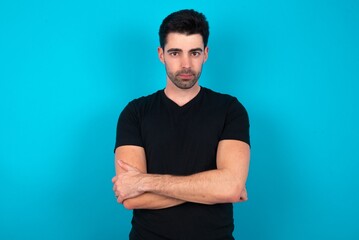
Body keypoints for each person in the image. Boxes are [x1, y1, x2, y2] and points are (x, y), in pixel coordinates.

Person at [112, 9, 250, 240]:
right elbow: (131, 197)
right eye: (175, 53)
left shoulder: (230, 109)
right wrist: (216, 189)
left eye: (194, 52)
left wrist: (145, 182)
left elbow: (230, 188)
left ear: (206, 53)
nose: (186, 64)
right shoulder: (135, 113)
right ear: (161, 54)